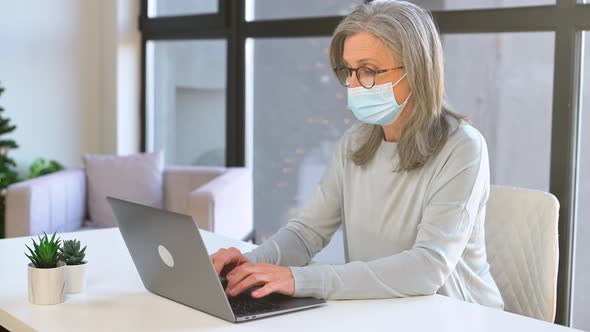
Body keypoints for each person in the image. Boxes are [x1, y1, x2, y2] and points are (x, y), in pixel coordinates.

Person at [210, 0, 504, 309]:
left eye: (368, 70)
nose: (353, 84)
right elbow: (307, 232)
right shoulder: (354, 144)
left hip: (458, 315)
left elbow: (427, 267)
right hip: (382, 310)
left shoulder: (463, 147)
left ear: (417, 70)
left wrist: (301, 279)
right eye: (349, 71)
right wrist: (248, 266)